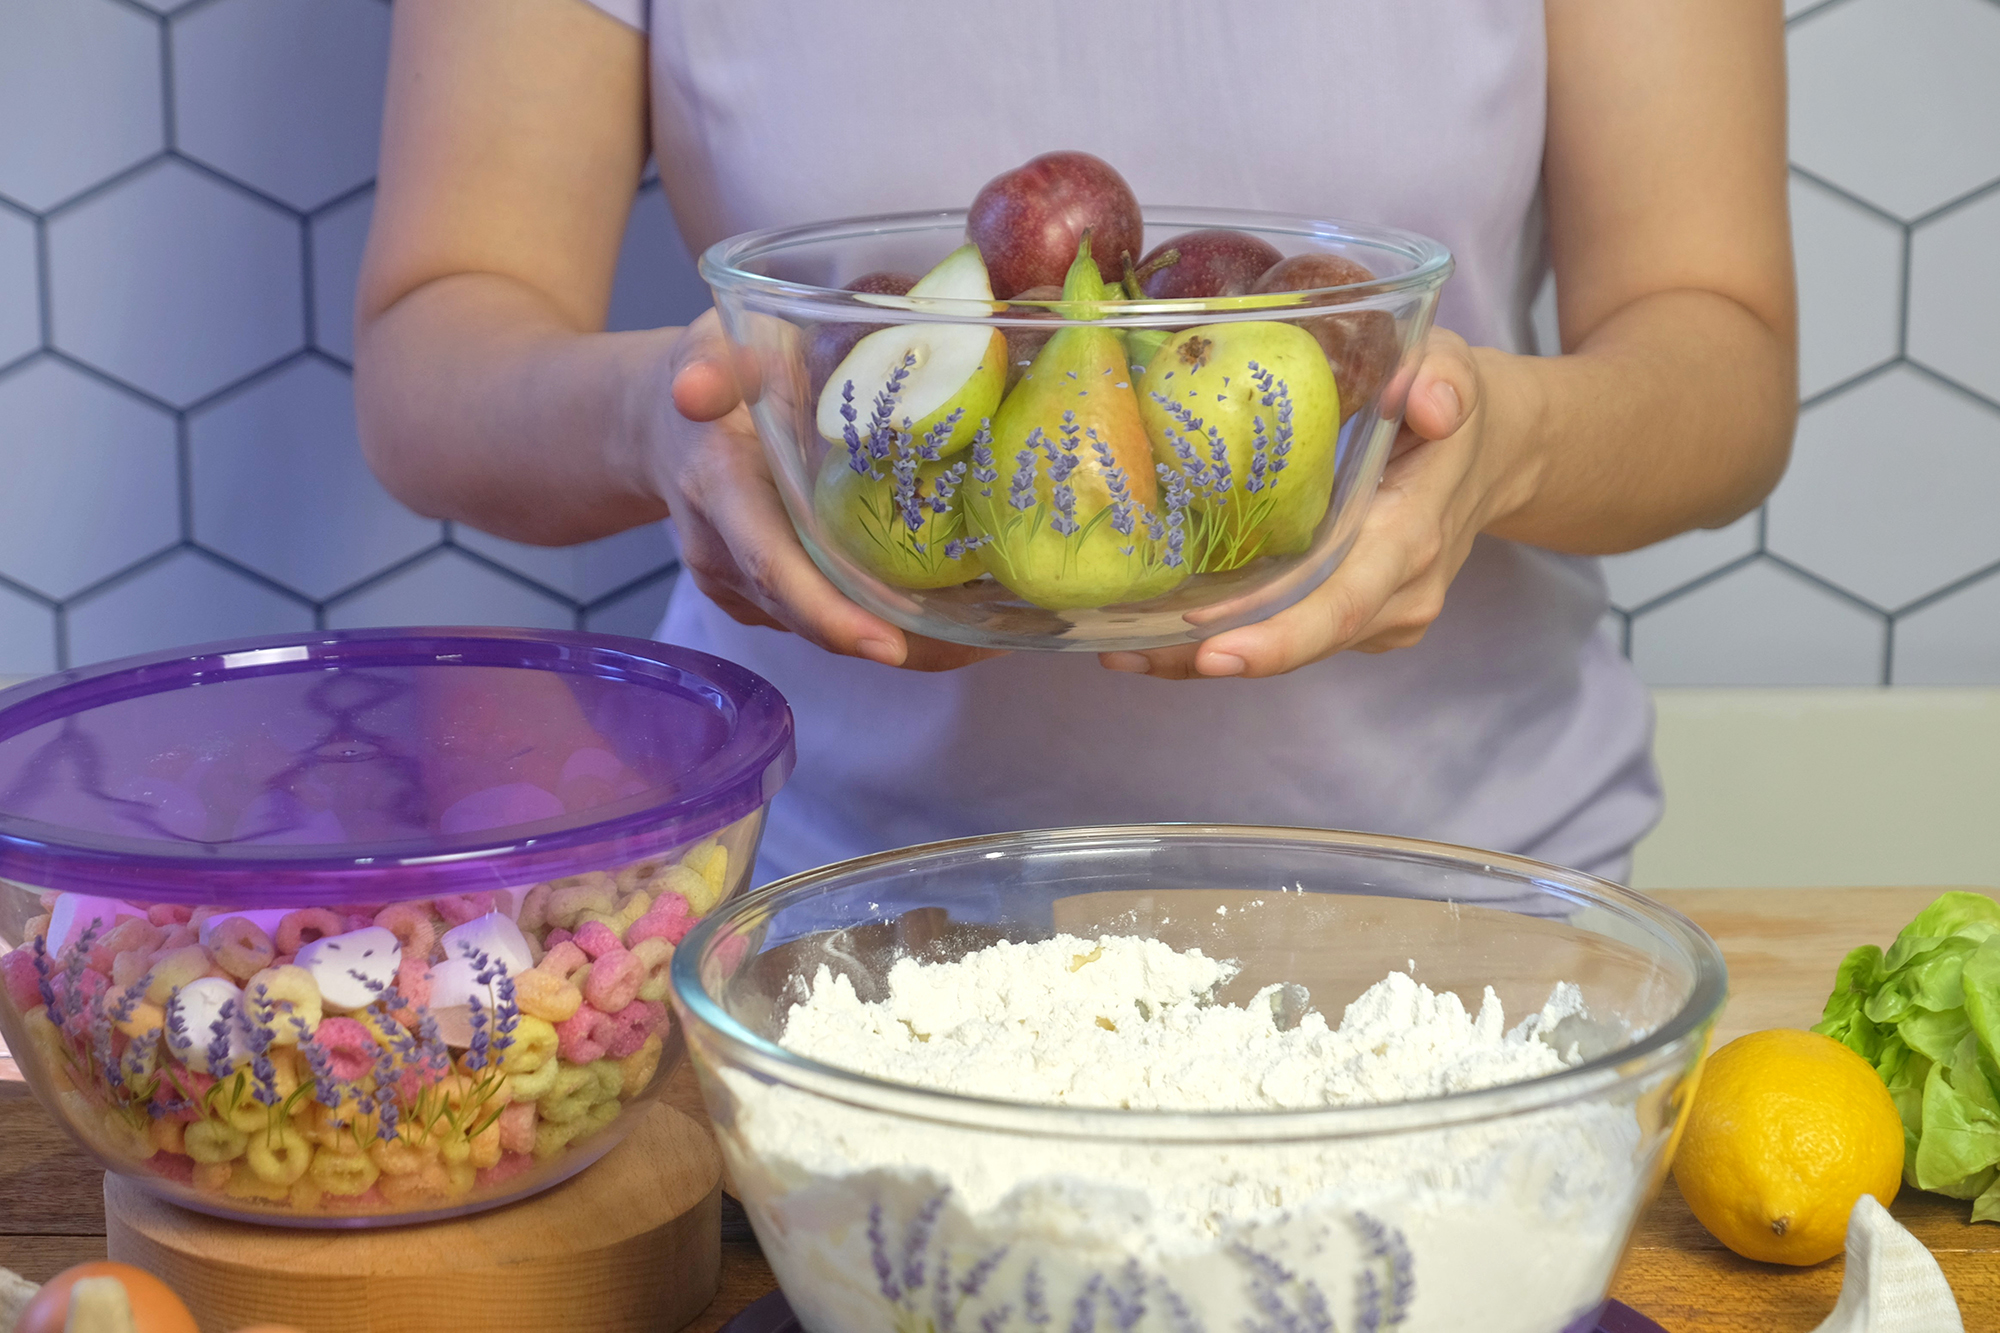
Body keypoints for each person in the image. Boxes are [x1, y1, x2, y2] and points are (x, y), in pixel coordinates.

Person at [353, 0, 1796, 885]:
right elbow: (433, 354)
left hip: (1456, 901)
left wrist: (1503, 442)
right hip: (819, 911)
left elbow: (1720, 360)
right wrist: (662, 418)